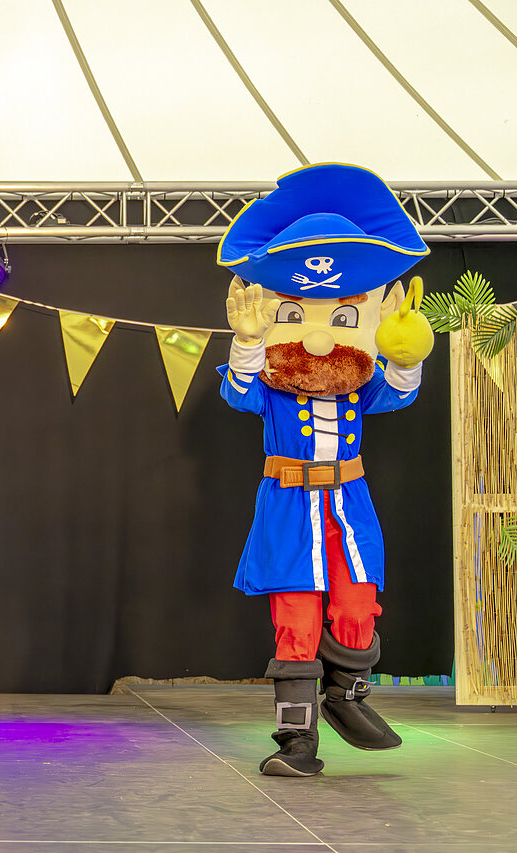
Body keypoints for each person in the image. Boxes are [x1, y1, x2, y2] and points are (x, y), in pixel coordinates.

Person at [216, 164, 434, 776]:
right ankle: (297, 740)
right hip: (287, 506)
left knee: (359, 604)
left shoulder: (358, 385)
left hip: (349, 503)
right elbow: (237, 392)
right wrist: (248, 342)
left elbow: (399, 392)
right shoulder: (269, 386)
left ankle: (346, 696)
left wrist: (405, 351)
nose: (317, 340)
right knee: (296, 618)